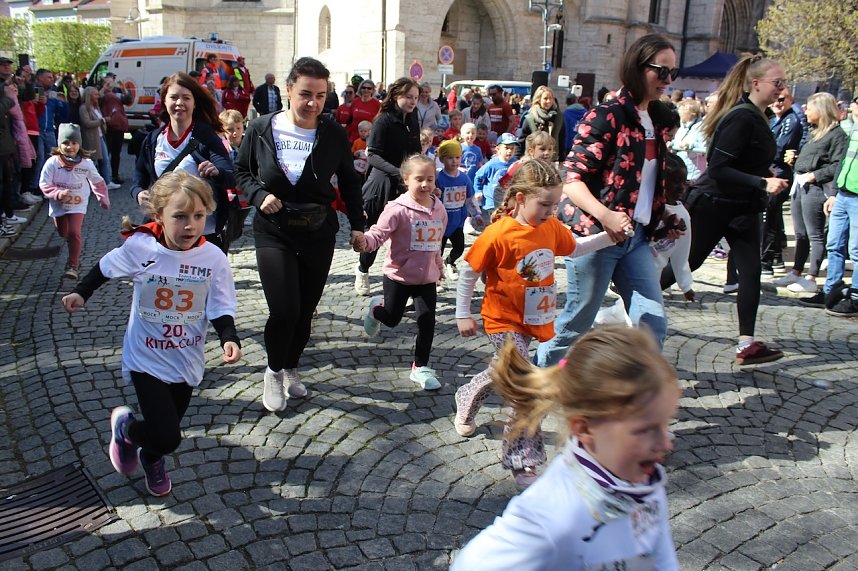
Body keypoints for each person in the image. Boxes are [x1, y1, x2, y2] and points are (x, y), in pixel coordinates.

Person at [62, 171, 241, 497]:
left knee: (166, 429)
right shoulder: (141, 247)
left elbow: (220, 302)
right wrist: (81, 293)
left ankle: (149, 454)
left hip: (186, 357)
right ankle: (128, 429)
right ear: (159, 216)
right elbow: (105, 267)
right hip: (146, 354)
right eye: (180, 217)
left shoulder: (213, 258)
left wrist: (229, 336)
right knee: (169, 435)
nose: (190, 225)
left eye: (199, 216)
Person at [451, 326, 680, 570]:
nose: (665, 443)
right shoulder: (555, 513)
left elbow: (660, 556)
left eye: (665, 423)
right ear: (584, 429)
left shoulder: (643, 481)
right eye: (644, 430)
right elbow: (472, 563)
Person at [454, 159, 615, 490]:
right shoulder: (498, 233)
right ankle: (522, 461)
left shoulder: (551, 227)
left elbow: (576, 247)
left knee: (506, 373)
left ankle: (468, 392)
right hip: (503, 320)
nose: (550, 210)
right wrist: (462, 313)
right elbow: (469, 270)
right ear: (519, 197)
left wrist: (609, 237)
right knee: (527, 385)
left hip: (536, 318)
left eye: (555, 204)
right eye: (544, 204)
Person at [538, 34, 680, 369]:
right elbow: (571, 181)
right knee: (575, 326)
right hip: (595, 238)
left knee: (652, 324)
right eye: (662, 71)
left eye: (673, 72)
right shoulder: (606, 116)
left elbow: (643, 183)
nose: (668, 80)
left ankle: (636, 408)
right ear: (637, 67)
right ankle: (531, 388)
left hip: (637, 239)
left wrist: (663, 218)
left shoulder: (658, 119)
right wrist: (608, 216)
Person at [234, 57, 365, 412]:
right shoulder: (261, 127)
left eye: (321, 96)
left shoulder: (333, 134)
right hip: (273, 231)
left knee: (305, 310)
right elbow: (240, 171)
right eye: (306, 94)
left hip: (317, 232)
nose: (313, 103)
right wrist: (260, 196)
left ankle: (291, 366)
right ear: (288, 90)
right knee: (284, 309)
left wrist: (357, 225)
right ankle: (273, 371)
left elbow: (351, 183)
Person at [660, 54, 789, 365]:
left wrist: (767, 176)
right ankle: (623, 305)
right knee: (686, 266)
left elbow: (744, 162)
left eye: (785, 83)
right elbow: (718, 168)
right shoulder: (741, 117)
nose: (782, 90)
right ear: (756, 83)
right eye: (777, 83)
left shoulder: (760, 116)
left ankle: (747, 343)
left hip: (743, 208)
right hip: (714, 205)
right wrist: (762, 182)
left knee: (752, 273)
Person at [358, 155, 447, 390]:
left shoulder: (438, 208)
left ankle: (421, 367)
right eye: (419, 179)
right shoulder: (397, 209)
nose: (426, 184)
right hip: (398, 276)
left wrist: (438, 266)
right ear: (406, 179)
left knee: (427, 321)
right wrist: (365, 242)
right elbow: (378, 233)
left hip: (426, 278)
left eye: (430, 179)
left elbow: (435, 241)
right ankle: (376, 310)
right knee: (392, 318)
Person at [131, 72, 235, 252]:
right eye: (174, 97)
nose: (179, 103)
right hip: (166, 234)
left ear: (194, 103)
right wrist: (138, 193)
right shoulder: (153, 140)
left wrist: (216, 171)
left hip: (204, 235)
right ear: (164, 100)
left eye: (186, 98)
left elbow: (231, 176)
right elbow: (138, 177)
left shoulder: (207, 137)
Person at [773, 93, 847, 296]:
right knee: (800, 234)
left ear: (822, 110)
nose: (806, 112)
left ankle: (812, 277)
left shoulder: (837, 135)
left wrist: (815, 175)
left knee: (816, 235)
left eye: (810, 108)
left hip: (815, 189)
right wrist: (795, 160)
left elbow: (836, 165)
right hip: (800, 185)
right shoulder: (814, 133)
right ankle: (796, 271)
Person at [354, 77, 421, 296]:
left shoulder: (413, 119)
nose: (413, 102)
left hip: (406, 184)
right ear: (396, 96)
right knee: (376, 232)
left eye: (416, 98)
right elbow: (372, 155)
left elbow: (416, 150)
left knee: (408, 237)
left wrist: (420, 173)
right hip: (381, 183)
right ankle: (363, 269)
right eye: (409, 97)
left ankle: (407, 286)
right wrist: (399, 172)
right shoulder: (383, 120)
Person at [39, 123, 110, 279]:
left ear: (79, 144)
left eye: (74, 143)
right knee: (63, 232)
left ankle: (72, 266)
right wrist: (57, 193)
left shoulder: (86, 163)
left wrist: (102, 198)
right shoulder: (52, 163)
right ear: (59, 144)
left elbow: (97, 181)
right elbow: (44, 183)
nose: (70, 147)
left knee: (74, 232)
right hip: (59, 206)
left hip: (78, 204)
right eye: (65, 143)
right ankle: (69, 241)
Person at [812, 102, 858, 316]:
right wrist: (834, 193)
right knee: (834, 244)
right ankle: (831, 291)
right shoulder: (853, 130)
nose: (853, 106)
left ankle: (856, 297)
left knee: (856, 250)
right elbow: (842, 164)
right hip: (843, 194)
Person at [762, 87, 803, 275]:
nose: (777, 103)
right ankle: (776, 256)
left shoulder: (791, 121)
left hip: (779, 173)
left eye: (782, 99)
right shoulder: (772, 118)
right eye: (775, 99)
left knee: (770, 218)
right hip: (770, 171)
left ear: (790, 100)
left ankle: (767, 260)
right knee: (773, 217)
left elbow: (778, 147)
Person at [436, 140, 482, 282]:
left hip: (457, 222)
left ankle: (450, 261)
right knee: (438, 252)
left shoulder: (464, 178)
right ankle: (436, 276)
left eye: (457, 157)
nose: (454, 161)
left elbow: (470, 198)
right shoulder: (438, 178)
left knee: (459, 248)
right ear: (443, 159)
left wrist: (477, 214)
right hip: (441, 224)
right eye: (450, 158)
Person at [653, 153, 694, 301]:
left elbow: (682, 253)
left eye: (684, 182)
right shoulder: (649, 207)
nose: (682, 188)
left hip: (656, 272)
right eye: (676, 182)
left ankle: (605, 318)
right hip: (636, 269)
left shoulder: (683, 215)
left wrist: (686, 285)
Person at [473, 132, 519, 225]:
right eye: (506, 148)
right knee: (495, 223)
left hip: (508, 200)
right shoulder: (492, 164)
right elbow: (478, 176)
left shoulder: (516, 163)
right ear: (498, 149)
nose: (509, 151)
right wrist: (478, 191)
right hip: (492, 201)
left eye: (512, 148)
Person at [79, 86, 117, 189]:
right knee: (93, 162)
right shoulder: (84, 108)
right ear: (89, 95)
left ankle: (106, 182)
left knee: (104, 160)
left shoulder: (95, 107)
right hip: (91, 138)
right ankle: (90, 184)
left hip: (100, 136)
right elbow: (86, 123)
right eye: (95, 94)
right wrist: (102, 120)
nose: (98, 96)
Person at [518, 86, 566, 162]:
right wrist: (518, 160)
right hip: (533, 160)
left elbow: (561, 138)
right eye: (545, 98)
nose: (549, 101)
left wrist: (562, 159)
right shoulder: (530, 118)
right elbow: (522, 141)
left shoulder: (558, 117)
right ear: (538, 100)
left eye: (551, 98)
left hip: (552, 160)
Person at [100, 75, 130, 185]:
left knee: (116, 153)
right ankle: (103, 176)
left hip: (119, 127)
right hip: (108, 127)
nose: (110, 85)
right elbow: (97, 98)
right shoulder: (102, 95)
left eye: (111, 82)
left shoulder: (117, 94)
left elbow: (128, 100)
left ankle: (115, 175)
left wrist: (123, 88)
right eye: (107, 82)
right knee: (105, 153)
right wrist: (104, 88)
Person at [669, 99, 707, 182]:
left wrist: (690, 145)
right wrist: (672, 143)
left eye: (682, 112)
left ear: (691, 114)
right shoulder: (682, 127)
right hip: (681, 168)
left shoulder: (702, 127)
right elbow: (678, 141)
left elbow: (704, 146)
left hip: (694, 173)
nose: (679, 114)